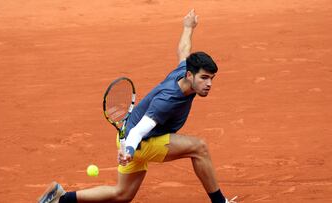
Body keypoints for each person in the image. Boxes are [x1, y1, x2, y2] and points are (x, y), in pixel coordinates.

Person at [38, 9, 237, 203]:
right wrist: (130, 151)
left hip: (125, 134)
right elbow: (142, 129)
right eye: (204, 78)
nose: (209, 84)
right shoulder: (167, 100)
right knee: (199, 147)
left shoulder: (184, 70)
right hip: (140, 141)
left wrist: (188, 27)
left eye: (211, 78)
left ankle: (61, 199)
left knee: (122, 194)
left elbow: (183, 50)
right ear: (189, 75)